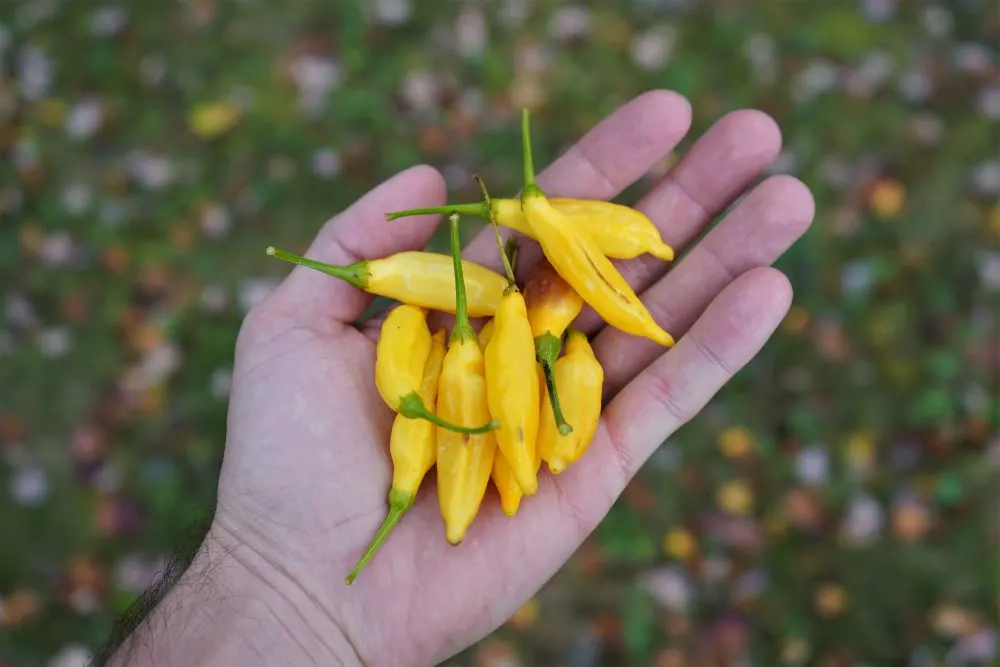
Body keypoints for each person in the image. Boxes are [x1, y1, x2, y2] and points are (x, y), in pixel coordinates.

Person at [98, 90, 814, 667]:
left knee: (555, 333)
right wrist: (281, 580)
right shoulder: (459, 346)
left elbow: (560, 321)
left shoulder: (514, 317)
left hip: (502, 346)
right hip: (477, 367)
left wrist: (280, 596)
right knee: (516, 366)